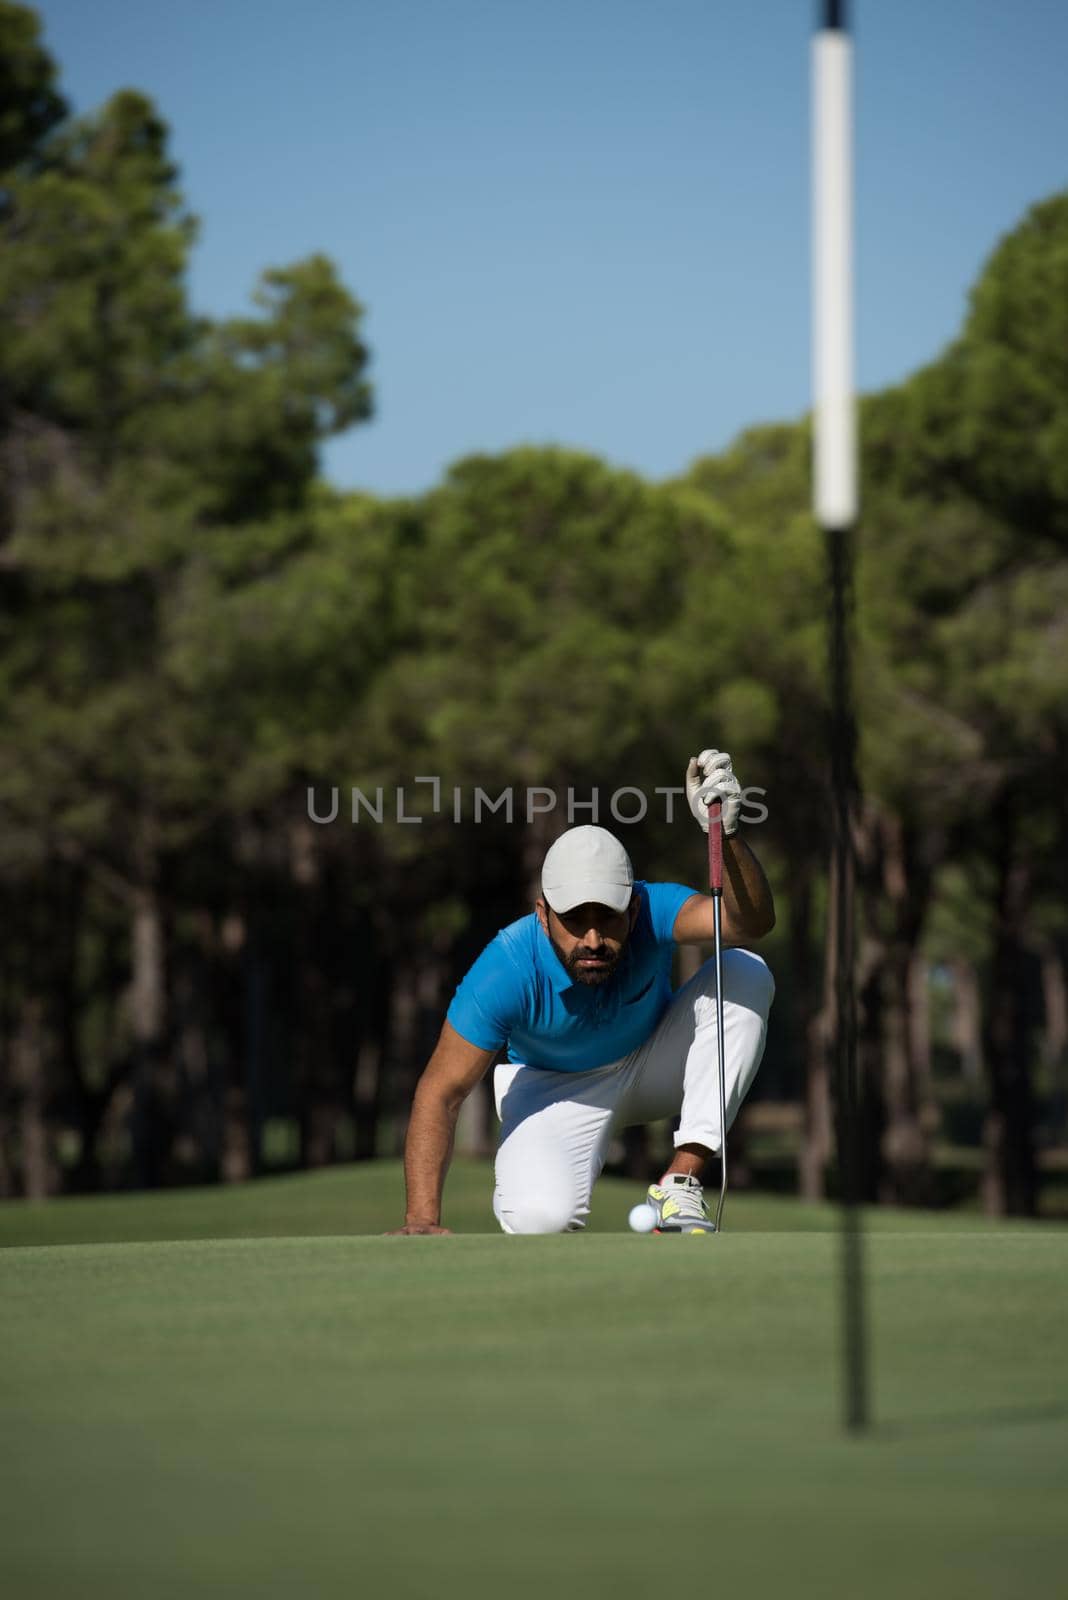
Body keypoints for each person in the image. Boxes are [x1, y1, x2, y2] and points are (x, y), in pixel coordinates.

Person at [390, 749, 775, 1236]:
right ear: (542, 913)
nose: (592, 940)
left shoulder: (653, 908)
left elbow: (749, 923)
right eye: (574, 920)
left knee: (744, 971)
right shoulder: (505, 967)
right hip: (553, 1091)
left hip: (652, 1061)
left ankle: (682, 1180)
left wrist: (728, 836)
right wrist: (422, 1219)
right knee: (538, 1221)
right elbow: (440, 1092)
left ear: (632, 909)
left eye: (607, 918)